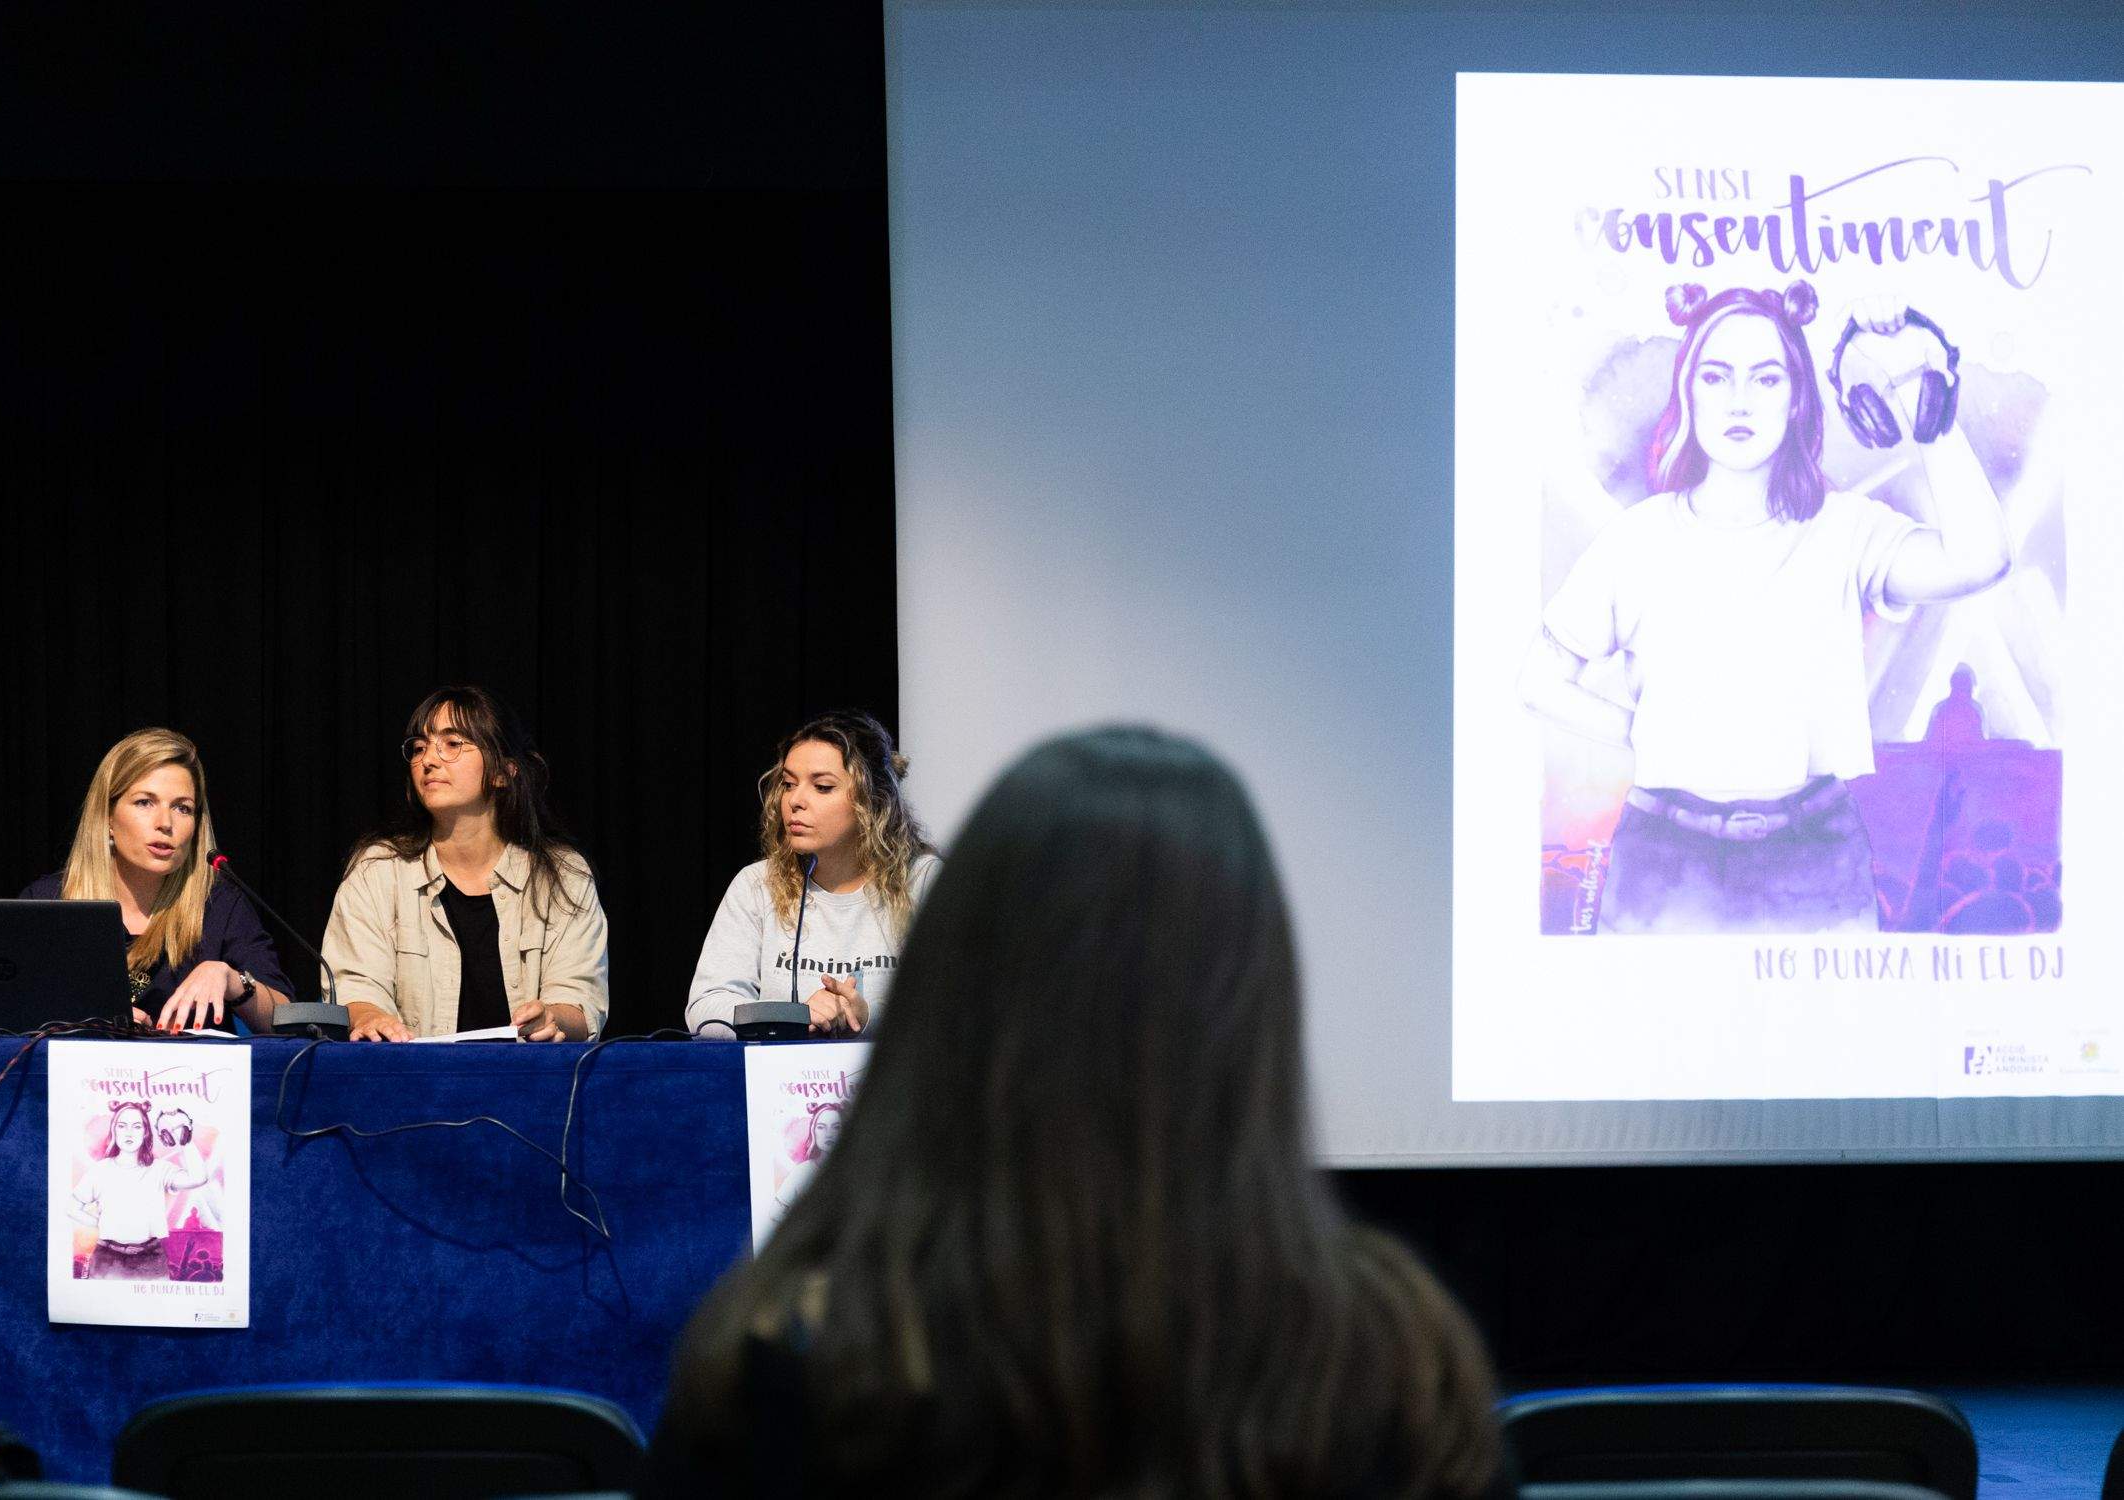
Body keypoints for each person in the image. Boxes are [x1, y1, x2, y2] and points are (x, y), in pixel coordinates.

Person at [643, 728, 1509, 1499]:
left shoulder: (787, 1355)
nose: (795, 799)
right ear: (1257, 996)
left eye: (821, 783)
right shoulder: (1394, 1365)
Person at [1520, 282, 2012, 933]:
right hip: (1668, 864)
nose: (1740, 401)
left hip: (1817, 859)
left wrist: (1923, 390)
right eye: (1716, 377)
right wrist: (1644, 730)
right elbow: (1538, 680)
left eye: (1767, 377)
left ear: (1796, 397)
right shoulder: (1637, 540)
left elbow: (1981, 560)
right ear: (1688, 393)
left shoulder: (1847, 530)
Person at [322, 686, 608, 1041]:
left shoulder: (564, 876)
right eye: (419, 747)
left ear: (503, 772)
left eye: (452, 744)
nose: (428, 759)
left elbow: (580, 1000)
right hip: (414, 1083)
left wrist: (553, 1019)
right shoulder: (378, 871)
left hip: (531, 1083)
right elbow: (353, 986)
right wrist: (370, 1017)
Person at [686, 711, 939, 1037]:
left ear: (873, 801)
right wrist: (792, 1018)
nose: (795, 800)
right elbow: (706, 1007)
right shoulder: (756, 885)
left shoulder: (921, 881)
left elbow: (961, 1008)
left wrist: (865, 1015)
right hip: (782, 1085)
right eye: (789, 784)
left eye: (822, 787)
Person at [22, 728, 292, 1032]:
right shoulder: (47, 901)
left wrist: (232, 979)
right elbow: (3, 1012)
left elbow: (286, 1021)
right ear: (107, 816)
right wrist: (82, 1017)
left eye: (182, 808)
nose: (165, 823)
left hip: (192, 1079)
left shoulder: (219, 905)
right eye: (144, 802)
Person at [69, 1101, 210, 1280]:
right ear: (114, 1131)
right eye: (122, 1126)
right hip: (107, 1261)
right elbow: (72, 1208)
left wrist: (184, 1137)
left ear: (145, 1133)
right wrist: (100, 1222)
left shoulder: (160, 1170)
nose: (128, 1132)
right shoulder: (100, 1171)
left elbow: (199, 1178)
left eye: (136, 1126)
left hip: (152, 1260)